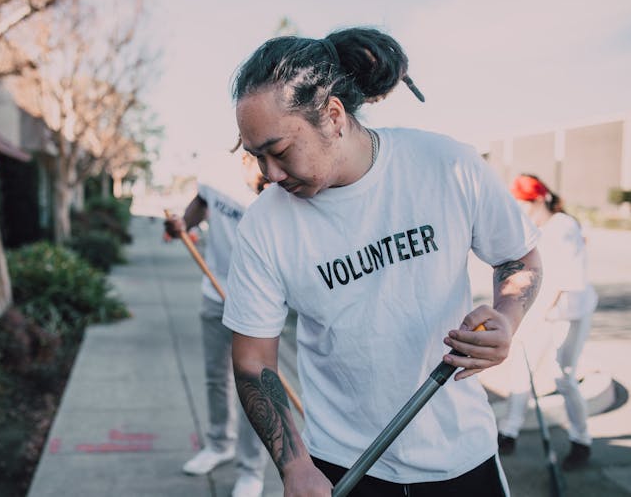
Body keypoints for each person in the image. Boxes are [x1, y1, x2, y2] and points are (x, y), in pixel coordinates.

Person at [222, 27, 543, 496]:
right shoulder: (264, 226)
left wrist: (508, 318)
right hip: (343, 466)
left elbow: (519, 257)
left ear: (333, 116)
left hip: (463, 459)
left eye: (279, 151)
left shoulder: (448, 165)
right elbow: (253, 362)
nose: (269, 174)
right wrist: (294, 465)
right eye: (257, 157)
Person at [164, 152, 270, 497]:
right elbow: (200, 203)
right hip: (215, 291)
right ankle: (219, 444)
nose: (272, 174)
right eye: (263, 164)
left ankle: (252, 469)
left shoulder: (278, 190)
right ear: (245, 157)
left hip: (258, 303)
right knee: (216, 378)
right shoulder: (215, 176)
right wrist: (183, 224)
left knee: (255, 387)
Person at [497, 174, 597, 470]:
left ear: (539, 199)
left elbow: (566, 279)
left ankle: (581, 441)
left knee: (563, 376)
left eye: (523, 204)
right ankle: (509, 433)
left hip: (569, 313)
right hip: (542, 310)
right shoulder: (534, 226)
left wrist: (537, 314)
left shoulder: (563, 227)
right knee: (521, 368)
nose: (519, 211)